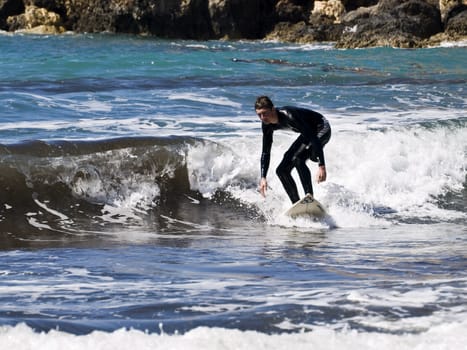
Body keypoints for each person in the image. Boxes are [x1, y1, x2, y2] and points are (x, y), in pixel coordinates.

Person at [255, 96, 331, 204]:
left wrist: (322, 166)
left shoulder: (289, 116)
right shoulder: (267, 125)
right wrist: (263, 177)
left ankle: (309, 198)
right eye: (259, 115)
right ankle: (296, 203)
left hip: (322, 127)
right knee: (281, 170)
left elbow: (313, 138)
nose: (262, 117)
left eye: (265, 113)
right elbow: (265, 152)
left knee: (298, 159)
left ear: (273, 109)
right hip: (308, 132)